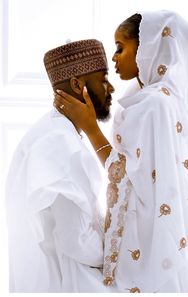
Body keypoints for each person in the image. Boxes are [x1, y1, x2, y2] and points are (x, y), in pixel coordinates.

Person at [54, 11, 188, 293]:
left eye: (120, 47)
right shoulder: (160, 98)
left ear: (148, 48)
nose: (114, 58)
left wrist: (91, 128)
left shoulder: (153, 105)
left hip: (151, 243)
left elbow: (126, 176)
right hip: (166, 234)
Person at [5, 39, 115, 292]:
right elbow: (75, 240)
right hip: (69, 282)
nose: (111, 88)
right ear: (78, 85)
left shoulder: (54, 131)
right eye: (103, 78)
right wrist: (121, 257)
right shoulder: (59, 144)